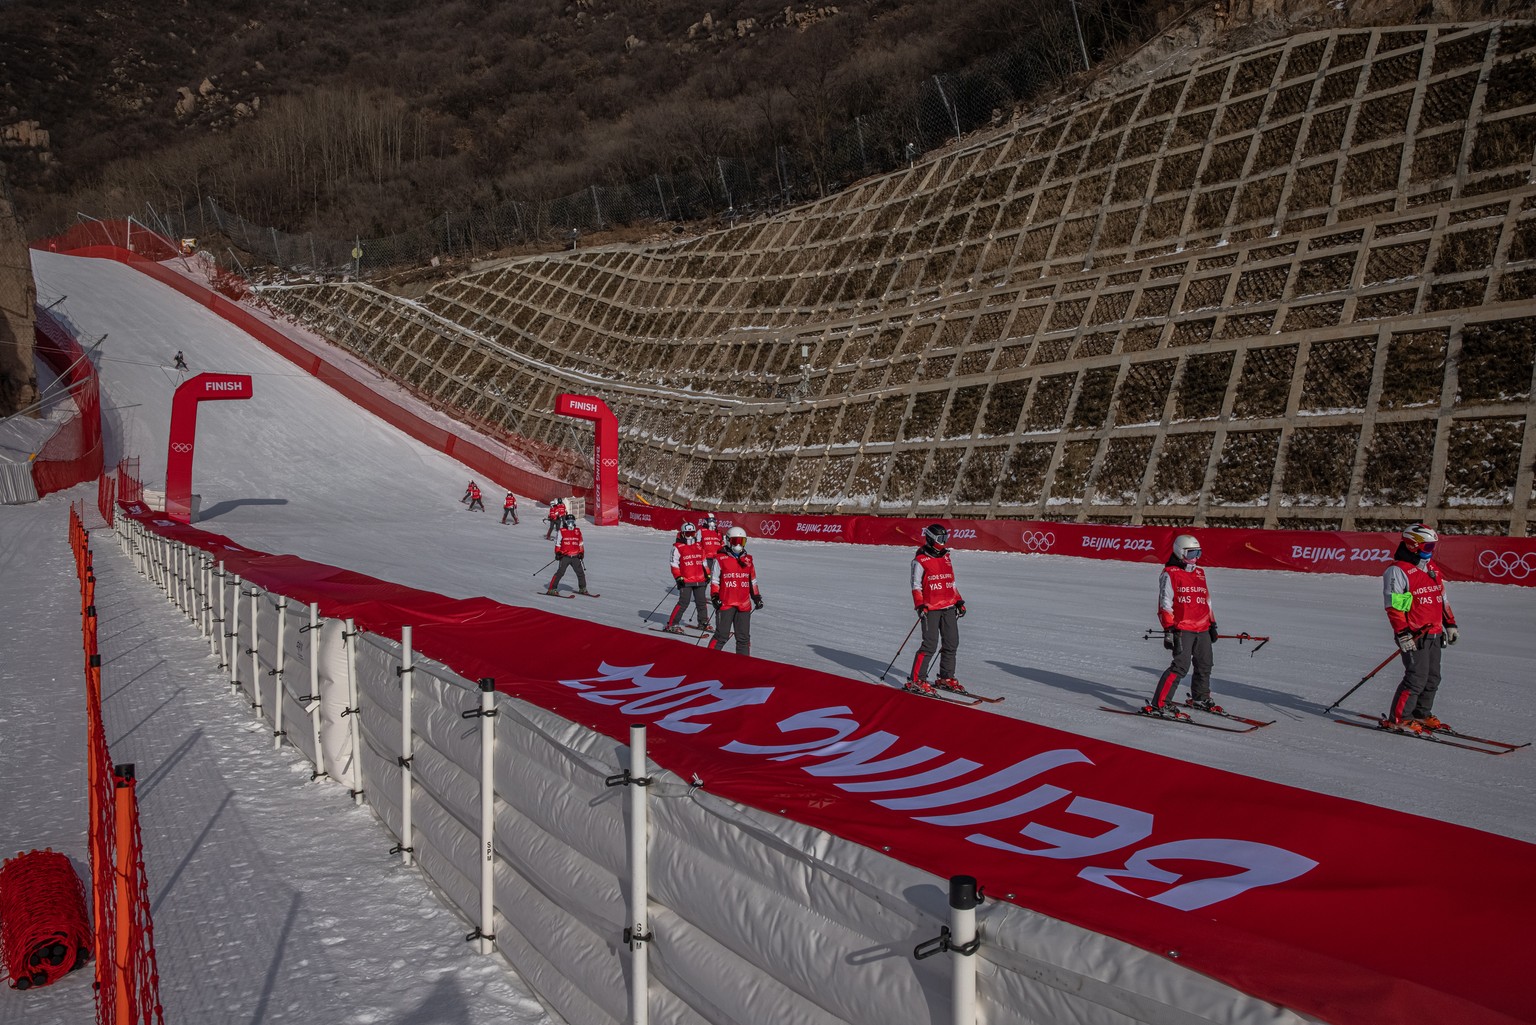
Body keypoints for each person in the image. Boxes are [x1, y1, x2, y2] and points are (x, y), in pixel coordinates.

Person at [1381, 524, 1458, 734]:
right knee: (1416, 677)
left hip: (1434, 632)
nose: (1430, 551)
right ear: (1413, 545)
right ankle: (1399, 718)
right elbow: (1394, 606)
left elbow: (1442, 598)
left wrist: (1450, 623)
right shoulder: (1397, 571)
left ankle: (1420, 714)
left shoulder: (1432, 568)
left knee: (1433, 677)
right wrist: (1402, 632)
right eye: (1427, 546)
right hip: (1414, 634)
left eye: (1433, 547)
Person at [1145, 534, 1219, 717]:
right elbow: (1165, 603)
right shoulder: (1170, 573)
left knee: (1205, 664)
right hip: (1182, 627)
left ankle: (1200, 697)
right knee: (1180, 666)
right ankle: (1160, 703)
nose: (1195, 557)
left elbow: (1206, 600)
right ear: (1180, 552)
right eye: (1191, 553)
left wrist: (1212, 624)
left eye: (1198, 553)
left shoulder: (1200, 572)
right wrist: (1169, 629)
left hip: (1202, 627)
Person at [908, 524, 967, 695]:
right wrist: (920, 605)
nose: (944, 542)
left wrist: (958, 600)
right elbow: (915, 586)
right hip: (930, 608)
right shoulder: (919, 560)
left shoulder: (946, 557)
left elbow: (951, 582)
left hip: (948, 606)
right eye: (941, 539)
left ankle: (946, 677)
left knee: (951, 642)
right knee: (929, 645)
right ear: (931, 539)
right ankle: (917, 680)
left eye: (946, 538)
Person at [709, 526, 762, 655]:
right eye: (735, 541)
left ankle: (742, 665)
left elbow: (752, 581)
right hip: (726, 603)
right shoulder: (720, 559)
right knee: (722, 635)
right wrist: (715, 596)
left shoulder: (748, 560)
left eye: (742, 541)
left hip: (743, 604)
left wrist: (756, 597)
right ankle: (708, 660)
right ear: (728, 541)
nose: (738, 545)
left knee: (743, 638)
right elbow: (715, 581)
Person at [664, 522, 710, 633]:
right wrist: (678, 578)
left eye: (692, 533)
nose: (690, 536)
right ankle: (672, 624)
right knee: (684, 602)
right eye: (687, 533)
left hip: (700, 579)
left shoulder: (699, 546)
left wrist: (707, 574)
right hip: (686, 580)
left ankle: (703, 622)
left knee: (701, 602)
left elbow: (703, 561)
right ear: (683, 534)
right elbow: (674, 563)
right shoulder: (677, 547)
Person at [546, 514, 589, 595]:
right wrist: (558, 553)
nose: (570, 524)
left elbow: (580, 544)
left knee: (580, 573)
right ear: (565, 522)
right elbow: (558, 544)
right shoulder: (561, 531)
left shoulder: (577, 531)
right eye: (569, 522)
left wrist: (581, 553)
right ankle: (552, 589)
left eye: (572, 522)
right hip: (565, 556)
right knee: (560, 573)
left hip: (575, 556)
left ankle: (582, 588)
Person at [698, 512, 723, 577]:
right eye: (710, 520)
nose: (712, 522)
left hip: (717, 558)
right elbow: (697, 544)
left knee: (718, 576)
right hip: (706, 558)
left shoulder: (718, 532)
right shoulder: (701, 531)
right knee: (706, 575)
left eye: (713, 520)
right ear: (706, 521)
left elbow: (722, 543)